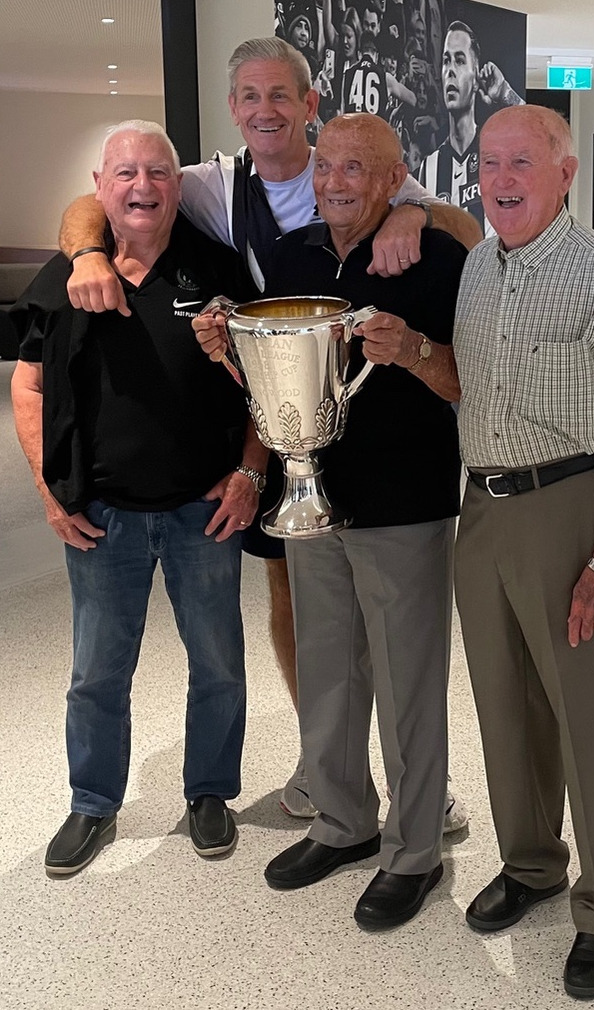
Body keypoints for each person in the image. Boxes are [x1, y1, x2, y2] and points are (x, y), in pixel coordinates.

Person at [57, 37, 481, 824]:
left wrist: (416, 213)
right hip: (283, 433)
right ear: (232, 109)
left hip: (387, 464)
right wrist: (85, 251)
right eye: (249, 96)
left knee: (399, 648)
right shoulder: (214, 186)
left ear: (309, 105)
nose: (264, 110)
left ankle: (421, 796)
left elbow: (456, 223)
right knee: (305, 613)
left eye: (280, 95)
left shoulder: (359, 165)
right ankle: (327, 769)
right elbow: (105, 197)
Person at [194, 112, 466, 929]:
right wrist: (225, 346)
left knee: (408, 685)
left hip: (403, 505)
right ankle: (344, 822)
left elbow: (465, 384)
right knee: (329, 672)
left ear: (395, 181)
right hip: (310, 494)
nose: (336, 181)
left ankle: (414, 851)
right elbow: (273, 373)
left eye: (357, 168)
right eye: (327, 167)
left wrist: (414, 349)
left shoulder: (437, 255)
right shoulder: (291, 255)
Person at [450, 106, 594, 998]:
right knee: (506, 712)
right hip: (483, 511)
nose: (502, 179)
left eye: (522, 162)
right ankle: (532, 865)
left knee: (589, 721)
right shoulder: (475, 265)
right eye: (489, 162)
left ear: (565, 173)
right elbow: (468, 381)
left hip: (570, 509)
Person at [10, 121, 261, 875]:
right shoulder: (67, 277)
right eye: (125, 174)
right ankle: (92, 802)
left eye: (157, 172)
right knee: (96, 671)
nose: (142, 187)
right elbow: (29, 385)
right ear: (100, 187)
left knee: (217, 663)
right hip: (102, 516)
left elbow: (267, 388)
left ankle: (210, 792)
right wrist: (52, 492)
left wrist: (249, 472)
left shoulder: (218, 271)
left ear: (178, 187)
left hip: (202, 510)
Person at [419, 21, 523, 231]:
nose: (450, 71)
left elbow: (542, 138)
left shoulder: (498, 154)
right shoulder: (429, 167)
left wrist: (504, 92)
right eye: (446, 61)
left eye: (459, 61)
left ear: (476, 78)